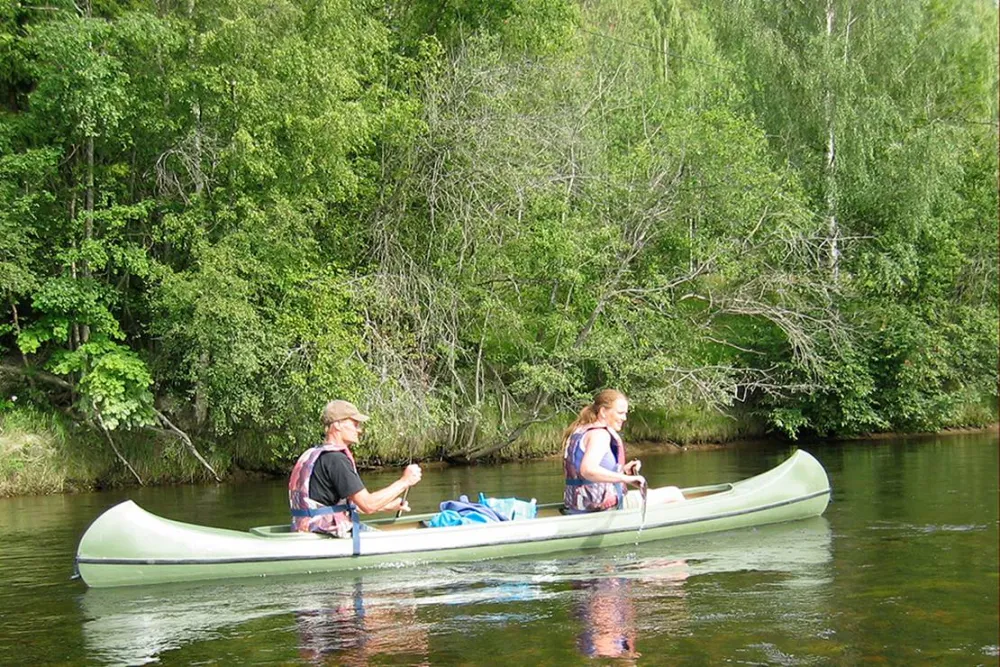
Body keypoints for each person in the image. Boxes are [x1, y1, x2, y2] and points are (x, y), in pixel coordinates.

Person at [289, 400, 422, 537]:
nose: (359, 430)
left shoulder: (315, 454)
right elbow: (368, 505)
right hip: (326, 532)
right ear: (337, 425)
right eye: (355, 424)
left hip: (305, 528)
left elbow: (333, 506)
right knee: (394, 541)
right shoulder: (336, 460)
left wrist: (386, 506)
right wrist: (405, 481)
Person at [563, 389, 684, 513]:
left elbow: (586, 473)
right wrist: (625, 479)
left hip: (578, 504)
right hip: (599, 506)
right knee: (674, 494)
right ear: (603, 412)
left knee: (653, 494)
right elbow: (587, 470)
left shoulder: (580, 430)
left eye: (625, 413)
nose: (624, 418)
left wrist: (624, 471)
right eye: (620, 413)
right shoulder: (600, 435)